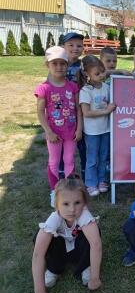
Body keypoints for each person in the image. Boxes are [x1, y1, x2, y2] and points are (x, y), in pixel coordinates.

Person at [32, 176, 102, 293]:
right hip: (60, 252)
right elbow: (38, 254)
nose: (72, 209)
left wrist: (95, 278)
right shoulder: (54, 218)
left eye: (77, 203)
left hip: (79, 251)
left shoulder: (84, 215)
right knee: (41, 235)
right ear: (56, 205)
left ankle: (86, 266)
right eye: (65, 204)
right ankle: (54, 269)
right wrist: (39, 292)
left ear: (84, 203)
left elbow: (96, 245)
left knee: (94, 232)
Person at [35, 46, 82, 206]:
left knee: (69, 160)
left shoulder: (72, 87)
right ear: (47, 65)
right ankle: (54, 192)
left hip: (71, 132)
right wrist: (48, 131)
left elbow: (78, 109)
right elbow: (40, 111)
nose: (59, 67)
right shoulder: (44, 88)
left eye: (63, 63)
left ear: (67, 65)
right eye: (54, 63)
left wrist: (79, 128)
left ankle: (69, 190)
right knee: (54, 161)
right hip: (54, 133)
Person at [78, 55, 116, 196]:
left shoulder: (107, 87)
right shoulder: (86, 91)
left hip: (106, 129)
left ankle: (102, 181)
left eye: (102, 72)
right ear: (87, 74)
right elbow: (86, 113)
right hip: (92, 132)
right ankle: (90, 184)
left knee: (104, 157)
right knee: (92, 158)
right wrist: (106, 110)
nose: (101, 75)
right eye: (97, 73)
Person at [62, 32, 86, 180]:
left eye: (79, 45)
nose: (75, 48)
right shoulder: (58, 64)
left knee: (83, 146)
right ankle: (64, 176)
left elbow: (100, 72)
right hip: (63, 113)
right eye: (71, 45)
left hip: (80, 111)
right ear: (63, 47)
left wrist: (118, 72)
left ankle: (85, 176)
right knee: (64, 148)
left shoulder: (84, 65)